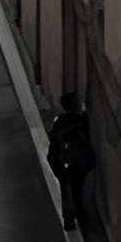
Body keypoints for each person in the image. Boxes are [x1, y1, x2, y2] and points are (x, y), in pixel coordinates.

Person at [46, 92, 94, 229]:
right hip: (72, 162)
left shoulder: (61, 121)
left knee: (68, 190)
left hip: (63, 162)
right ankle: (76, 218)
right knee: (74, 190)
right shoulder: (77, 122)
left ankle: (71, 219)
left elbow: (53, 138)